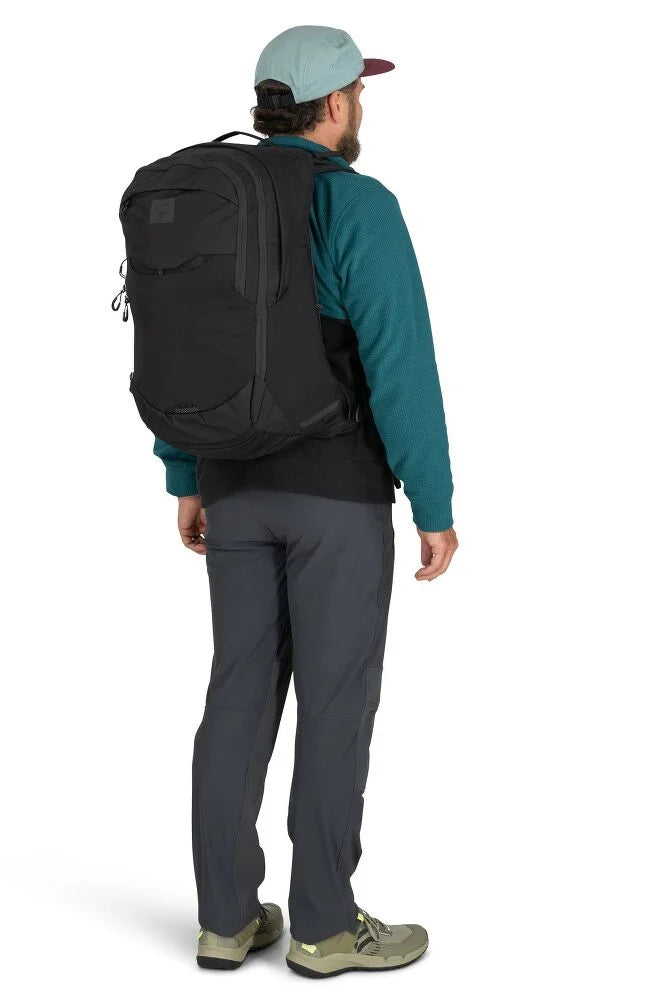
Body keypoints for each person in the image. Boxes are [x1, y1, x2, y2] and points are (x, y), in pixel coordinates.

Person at [150, 25, 459, 977]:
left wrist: (186, 475)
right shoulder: (358, 205)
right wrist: (434, 501)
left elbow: (182, 342)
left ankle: (225, 919)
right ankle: (324, 925)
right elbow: (400, 363)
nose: (361, 106)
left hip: (233, 488)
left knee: (237, 694)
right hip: (335, 500)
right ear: (332, 104)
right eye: (358, 92)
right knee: (334, 703)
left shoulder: (216, 202)